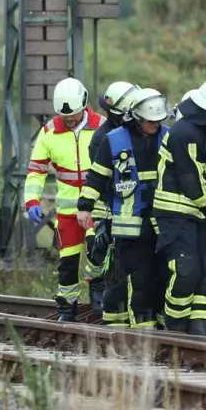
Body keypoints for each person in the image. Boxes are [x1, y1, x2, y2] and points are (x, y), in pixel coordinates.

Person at [77, 87, 169, 329]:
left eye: (158, 121)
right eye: (150, 121)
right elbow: (97, 177)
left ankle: (155, 328)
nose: (155, 125)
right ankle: (136, 330)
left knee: (160, 277)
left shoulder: (168, 137)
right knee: (134, 279)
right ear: (136, 117)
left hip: (163, 223)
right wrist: (85, 207)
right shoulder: (113, 140)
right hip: (129, 225)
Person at [152, 79, 206, 335]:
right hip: (175, 215)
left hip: (203, 217)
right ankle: (174, 327)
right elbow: (190, 179)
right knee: (186, 269)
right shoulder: (181, 133)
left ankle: (201, 326)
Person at [24, 78, 104, 321]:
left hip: (97, 210)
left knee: (98, 256)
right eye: (65, 117)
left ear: (85, 104)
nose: (70, 120)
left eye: (75, 115)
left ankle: (100, 304)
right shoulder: (49, 133)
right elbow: (36, 171)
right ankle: (67, 309)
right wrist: (32, 201)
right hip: (67, 214)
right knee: (67, 263)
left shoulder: (103, 127)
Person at [83, 81, 143, 314]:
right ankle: (99, 288)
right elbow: (102, 181)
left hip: (137, 206)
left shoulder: (142, 133)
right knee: (101, 249)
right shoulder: (103, 139)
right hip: (109, 205)